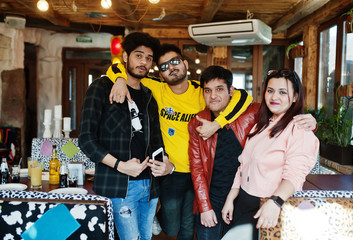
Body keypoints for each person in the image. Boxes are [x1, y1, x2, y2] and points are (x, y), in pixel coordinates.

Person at [106, 43, 253, 239]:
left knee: (187, 227)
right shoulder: (157, 88)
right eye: (164, 66)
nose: (171, 67)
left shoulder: (201, 91)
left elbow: (244, 97)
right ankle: (157, 213)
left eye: (175, 62)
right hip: (171, 171)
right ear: (160, 74)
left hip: (199, 172)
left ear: (185, 63)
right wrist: (120, 81)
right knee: (172, 227)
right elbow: (116, 67)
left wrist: (217, 124)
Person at [188, 66, 317, 240]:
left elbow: (295, 174)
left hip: (268, 208)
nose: (274, 97)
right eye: (270, 91)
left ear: (294, 97)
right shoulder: (261, 125)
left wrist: (275, 202)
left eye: (282, 92)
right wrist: (221, 201)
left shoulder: (262, 117)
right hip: (234, 202)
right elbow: (240, 166)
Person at [78, 32, 168, 240]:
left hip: (149, 185)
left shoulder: (148, 96)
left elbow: (156, 140)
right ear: (125, 56)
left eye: (148, 58)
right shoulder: (101, 88)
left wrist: (164, 165)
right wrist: (121, 165)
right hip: (118, 184)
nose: (144, 62)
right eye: (139, 55)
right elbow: (86, 139)